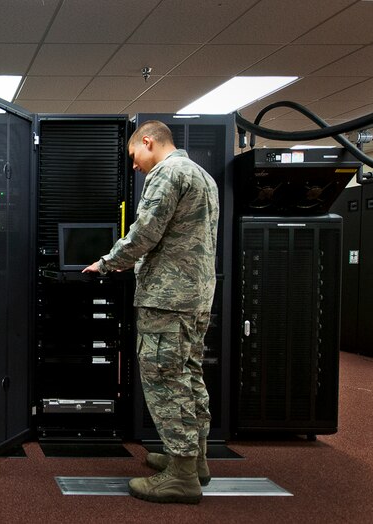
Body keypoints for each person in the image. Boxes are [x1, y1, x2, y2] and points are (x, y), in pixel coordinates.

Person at [83, 120, 219, 505]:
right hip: (196, 297)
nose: (135, 166)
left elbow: (145, 232)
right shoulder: (203, 176)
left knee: (165, 378)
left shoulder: (167, 173)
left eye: (134, 156)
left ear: (148, 142)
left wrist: (106, 263)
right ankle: (196, 459)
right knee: (189, 375)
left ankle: (181, 475)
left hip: (167, 298)